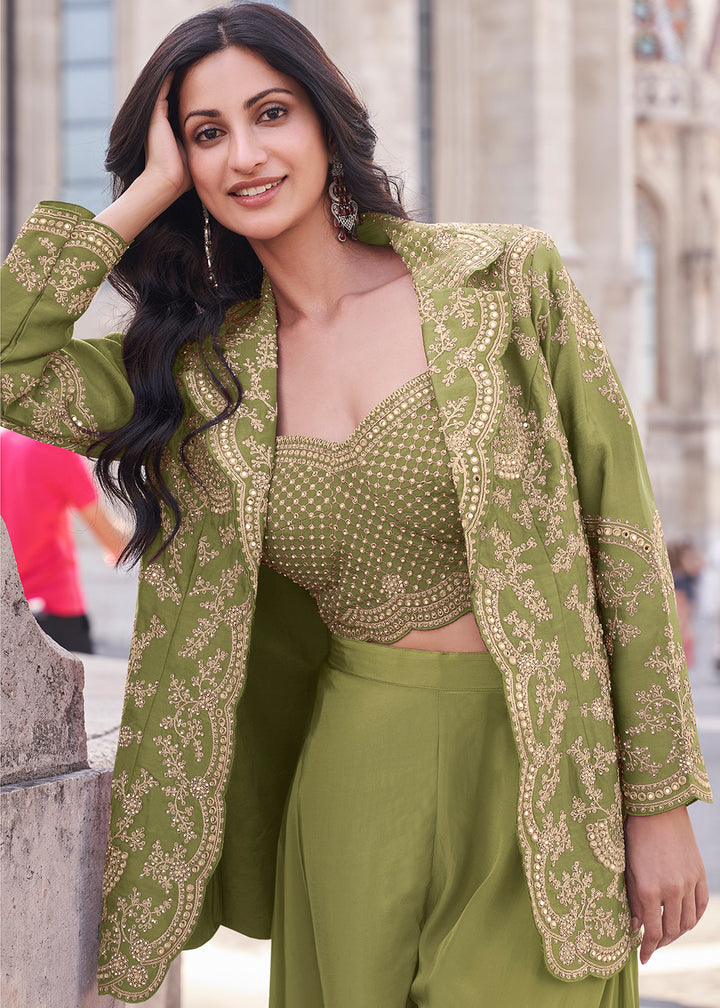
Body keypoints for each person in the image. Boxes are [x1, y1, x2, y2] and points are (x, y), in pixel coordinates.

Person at [0, 4, 712, 1005]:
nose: (245, 153)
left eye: (270, 113)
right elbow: (8, 360)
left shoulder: (505, 284)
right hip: (349, 782)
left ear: (327, 122)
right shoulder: (195, 378)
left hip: (544, 778)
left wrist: (660, 804)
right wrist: (143, 193)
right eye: (208, 134)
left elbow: (622, 542)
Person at [0, 428, 127, 653]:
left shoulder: (4, 443)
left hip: (9, 613)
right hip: (56, 615)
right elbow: (113, 541)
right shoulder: (57, 449)